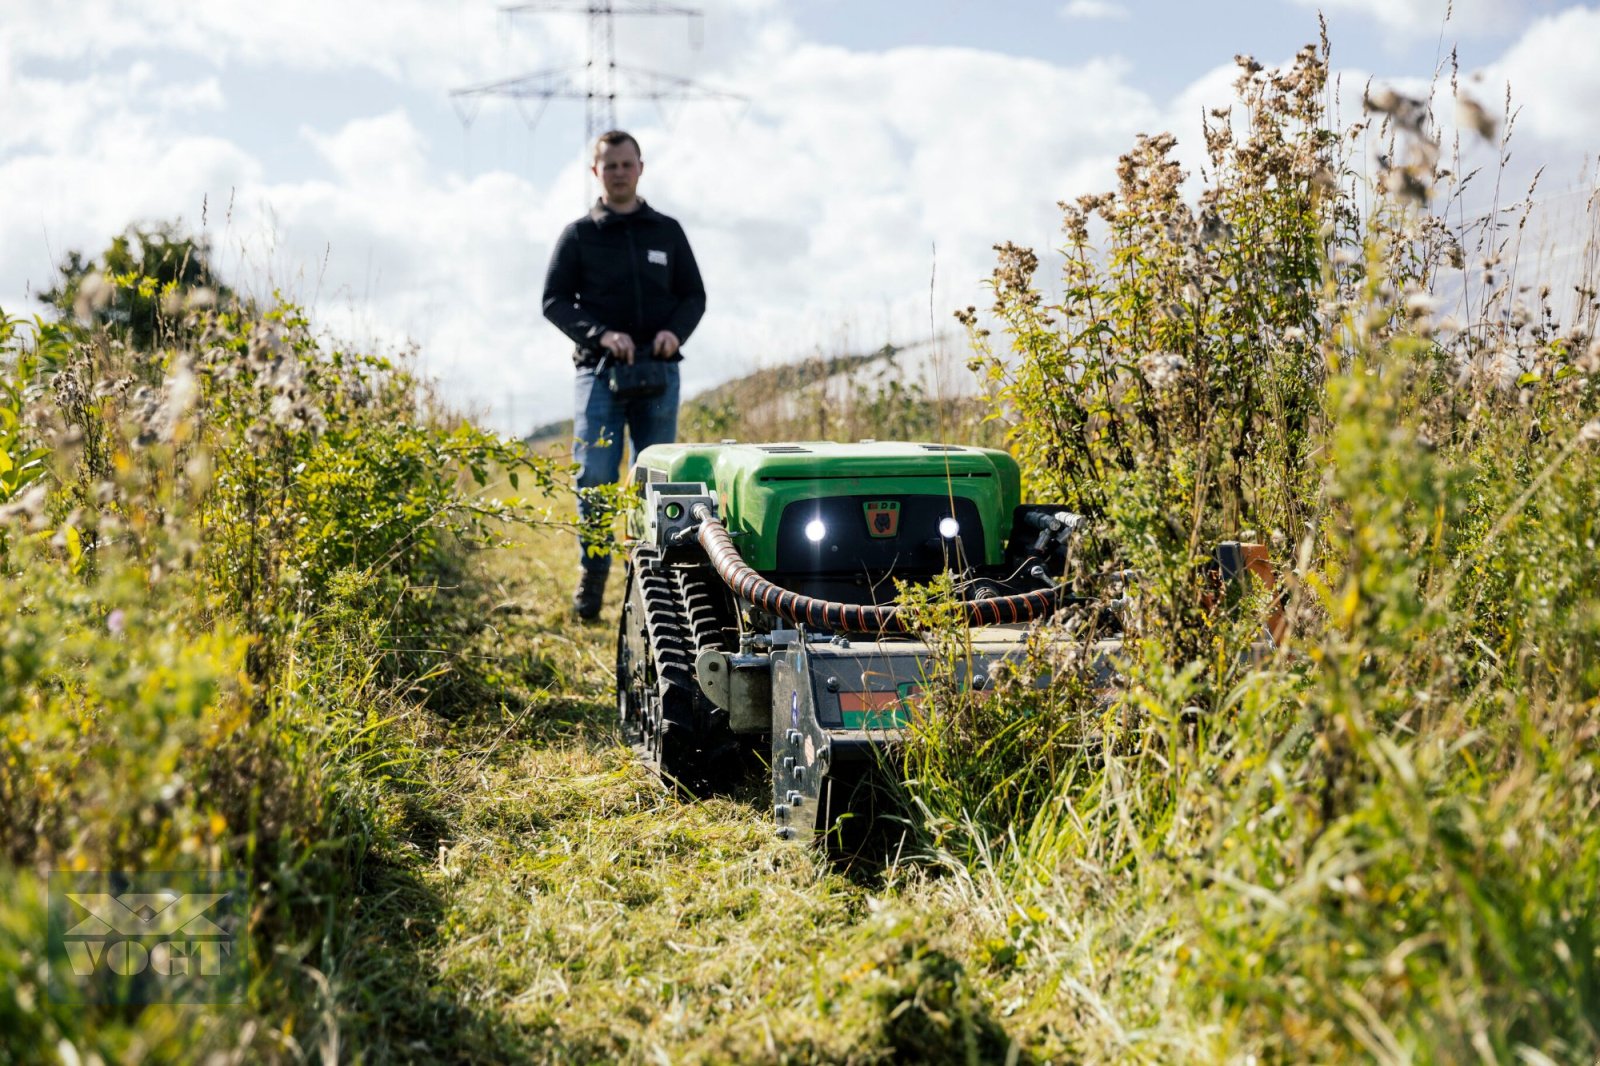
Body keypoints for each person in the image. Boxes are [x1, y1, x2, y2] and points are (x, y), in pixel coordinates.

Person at [542, 130, 706, 620]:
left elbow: (693, 296)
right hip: (599, 373)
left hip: (659, 373)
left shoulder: (667, 232)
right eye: (609, 165)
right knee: (595, 474)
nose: (618, 172)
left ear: (640, 167)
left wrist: (675, 332)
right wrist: (600, 335)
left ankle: (650, 583)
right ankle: (593, 577)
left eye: (626, 164)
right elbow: (554, 301)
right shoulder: (579, 235)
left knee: (655, 479)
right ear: (596, 172)